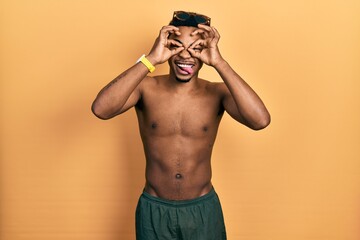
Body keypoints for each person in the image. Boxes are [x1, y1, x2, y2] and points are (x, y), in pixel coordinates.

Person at [92, 10, 270, 240]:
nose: (185, 55)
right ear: (166, 47)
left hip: (202, 210)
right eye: (177, 46)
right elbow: (100, 109)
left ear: (206, 52)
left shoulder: (217, 93)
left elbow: (260, 120)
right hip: (154, 210)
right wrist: (151, 59)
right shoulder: (145, 88)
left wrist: (219, 62)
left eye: (196, 48)